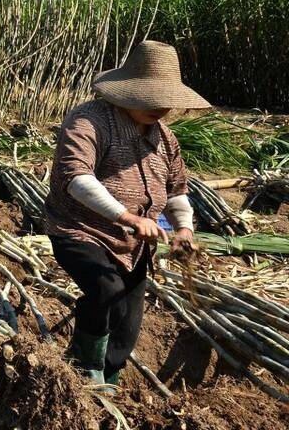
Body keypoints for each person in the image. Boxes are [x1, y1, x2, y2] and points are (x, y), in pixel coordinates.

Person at [44, 40, 205, 388]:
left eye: (164, 99)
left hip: (134, 246)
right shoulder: (89, 121)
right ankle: (81, 369)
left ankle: (109, 380)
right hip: (80, 229)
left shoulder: (165, 139)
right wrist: (128, 218)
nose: (159, 107)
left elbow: (176, 191)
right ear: (128, 90)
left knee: (128, 326)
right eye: (149, 98)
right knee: (107, 290)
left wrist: (184, 229)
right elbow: (76, 178)